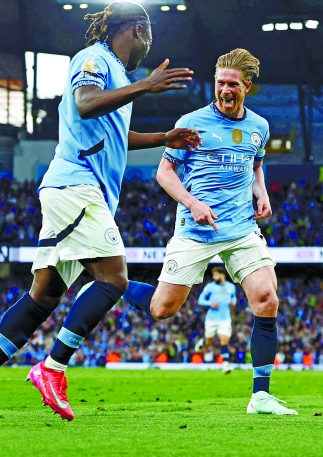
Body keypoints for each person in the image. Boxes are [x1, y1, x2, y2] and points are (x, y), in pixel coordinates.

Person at [0, 1, 200, 424]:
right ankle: (52, 369)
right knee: (114, 279)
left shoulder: (117, 73)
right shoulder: (93, 59)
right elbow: (85, 103)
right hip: (76, 185)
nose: (148, 48)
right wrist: (146, 86)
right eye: (149, 37)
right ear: (138, 29)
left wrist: (163, 137)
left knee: (44, 296)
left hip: (75, 189)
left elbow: (115, 132)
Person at [123, 48, 297, 415]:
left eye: (233, 84)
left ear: (247, 86)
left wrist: (262, 193)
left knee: (267, 299)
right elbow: (165, 173)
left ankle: (261, 396)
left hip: (241, 228)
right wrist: (192, 203)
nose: (225, 90)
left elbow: (255, 165)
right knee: (162, 309)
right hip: (195, 229)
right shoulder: (192, 122)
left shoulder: (259, 126)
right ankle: (114, 286)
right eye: (220, 83)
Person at [198, 265, 237, 373]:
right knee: (208, 344)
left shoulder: (231, 287)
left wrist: (233, 302)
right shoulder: (210, 287)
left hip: (225, 319)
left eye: (215, 275)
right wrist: (210, 303)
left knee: (224, 341)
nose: (214, 277)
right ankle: (203, 342)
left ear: (222, 275)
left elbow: (233, 297)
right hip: (212, 319)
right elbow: (200, 300)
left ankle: (225, 365)